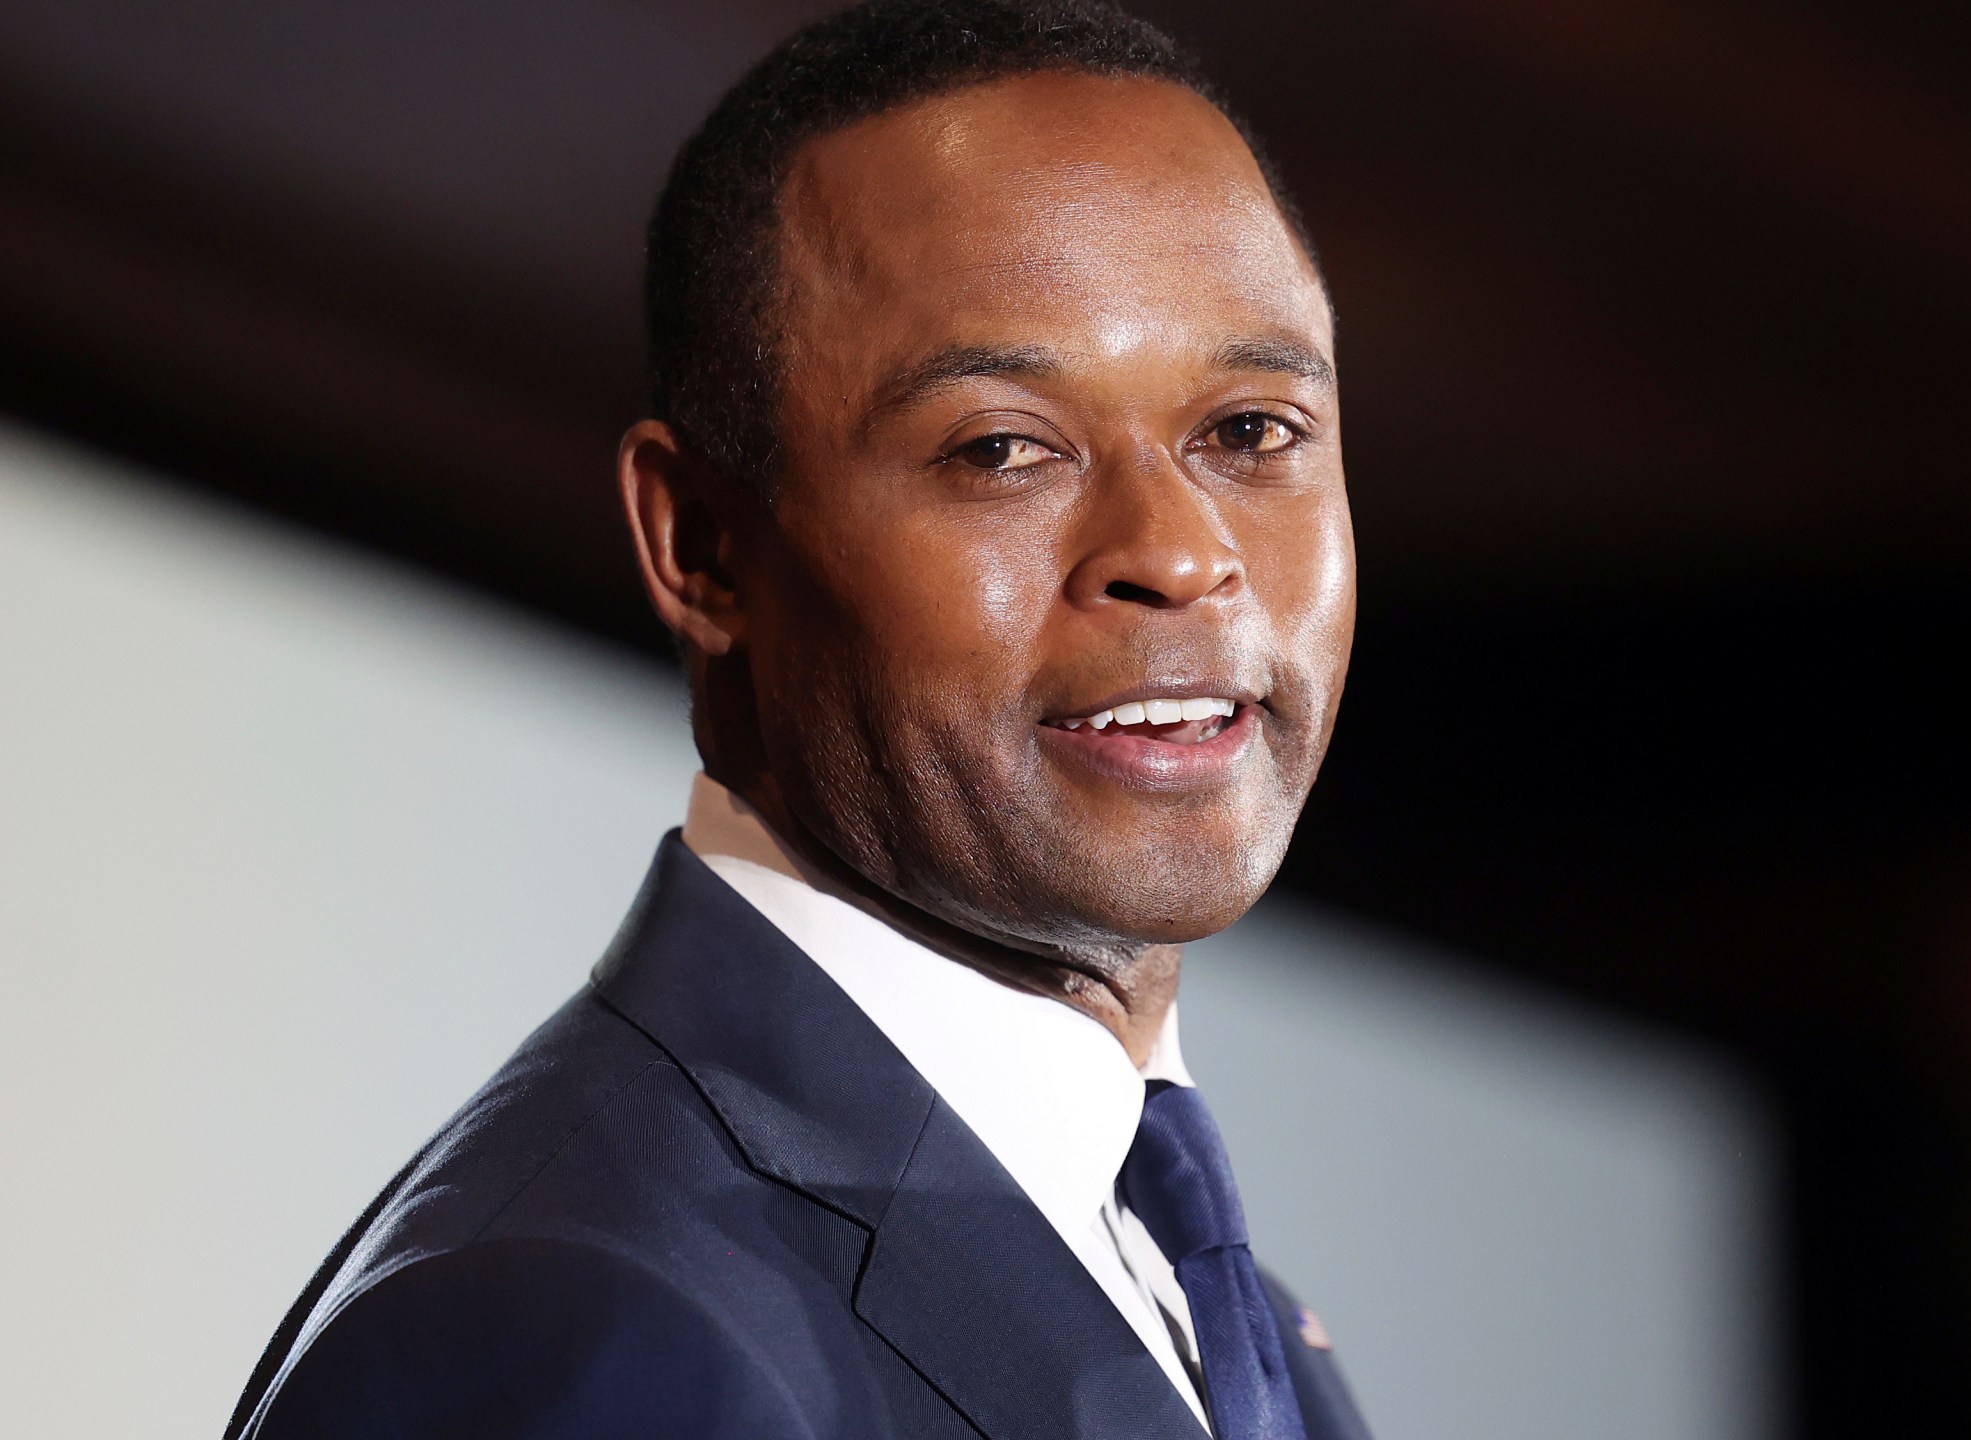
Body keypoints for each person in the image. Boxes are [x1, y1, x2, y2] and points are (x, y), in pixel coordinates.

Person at [222, 3, 1364, 1436]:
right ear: (702, 544)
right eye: (1003, 449)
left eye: (1253, 432)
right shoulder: (578, 1327)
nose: (1180, 550)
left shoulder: (1219, 1309)